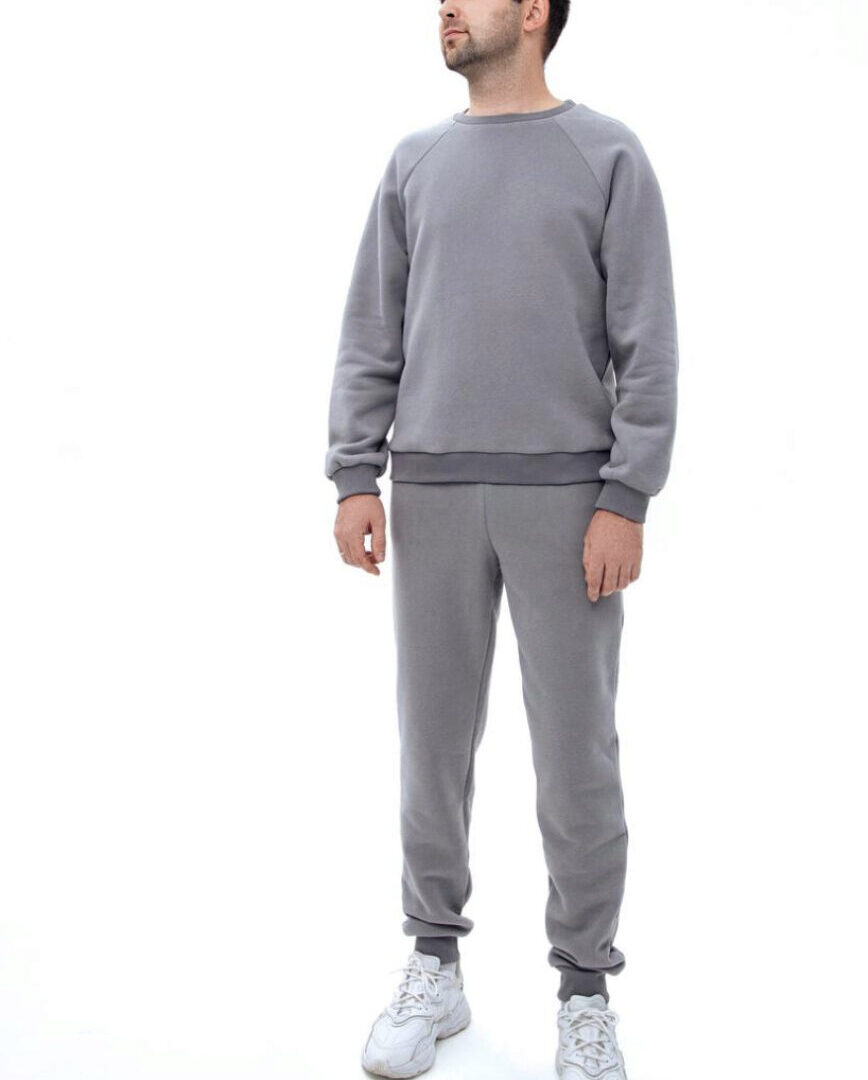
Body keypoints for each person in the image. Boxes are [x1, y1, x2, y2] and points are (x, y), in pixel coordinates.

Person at [324, 2, 679, 1076]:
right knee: (431, 747)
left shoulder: (607, 155)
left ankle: (585, 991)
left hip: (568, 501)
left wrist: (627, 495)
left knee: (578, 758)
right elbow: (371, 329)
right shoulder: (413, 163)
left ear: (533, 12)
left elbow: (648, 341)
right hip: (429, 491)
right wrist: (355, 472)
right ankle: (434, 964)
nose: (447, 6)